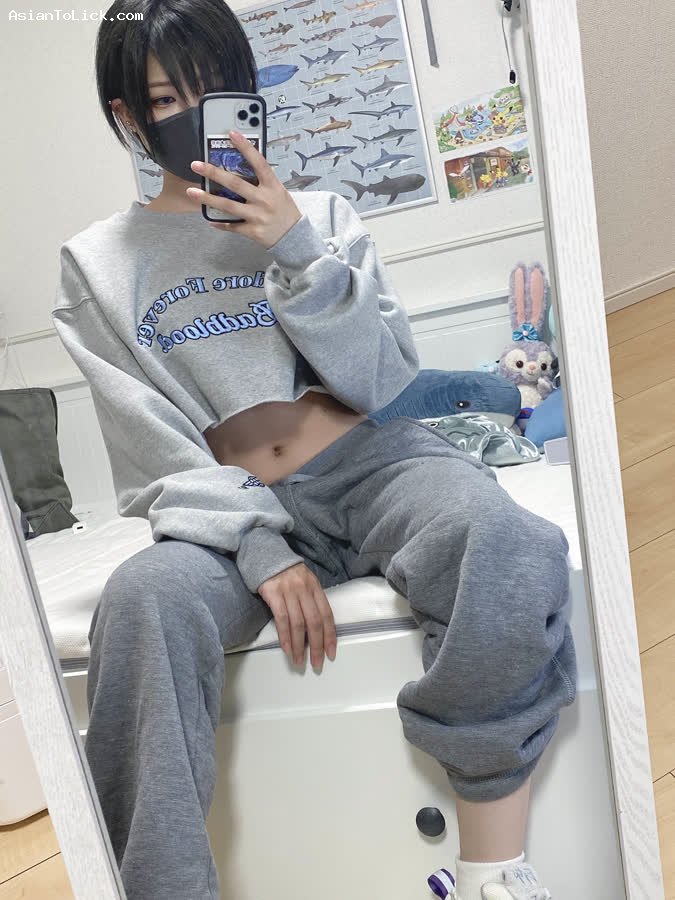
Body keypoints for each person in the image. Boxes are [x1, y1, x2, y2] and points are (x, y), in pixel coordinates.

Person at [51, 2, 576, 898]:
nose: (195, 117)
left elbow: (380, 379)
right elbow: (149, 440)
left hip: (368, 464)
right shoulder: (97, 261)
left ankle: (493, 870)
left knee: (505, 541)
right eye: (167, 100)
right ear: (127, 115)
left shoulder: (322, 214)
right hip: (225, 506)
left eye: (217, 91)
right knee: (141, 602)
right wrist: (258, 546)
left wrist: (293, 247)